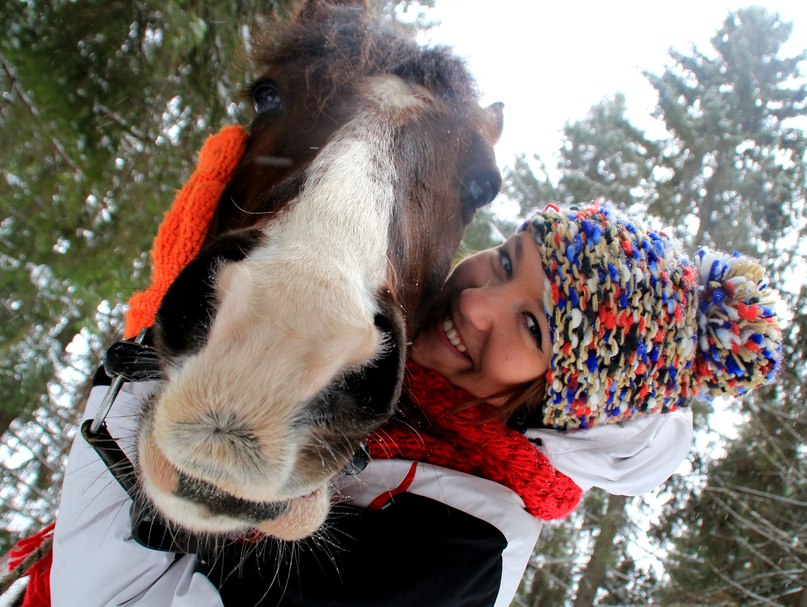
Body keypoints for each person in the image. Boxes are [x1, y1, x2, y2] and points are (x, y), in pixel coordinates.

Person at [39, 132, 781, 607]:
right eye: (506, 259)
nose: (477, 298)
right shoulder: (379, 362)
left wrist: (172, 350)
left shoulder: (459, 551)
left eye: (532, 325)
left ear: (565, 405)